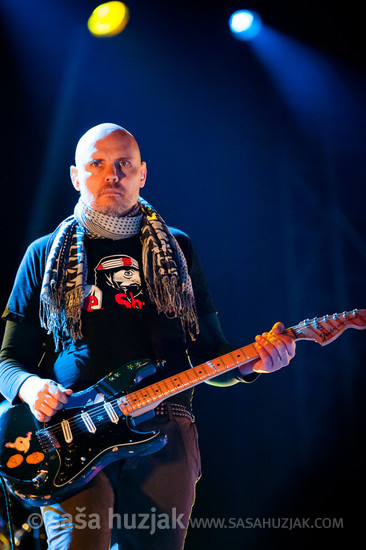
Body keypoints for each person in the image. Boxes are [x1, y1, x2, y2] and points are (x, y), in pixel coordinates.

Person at [0, 123, 296, 550]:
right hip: (75, 430)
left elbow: (210, 356)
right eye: (97, 164)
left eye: (124, 164)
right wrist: (30, 387)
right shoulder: (43, 253)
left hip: (165, 426)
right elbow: (8, 361)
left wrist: (255, 363)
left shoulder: (177, 250)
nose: (112, 174)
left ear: (143, 173)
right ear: (75, 176)